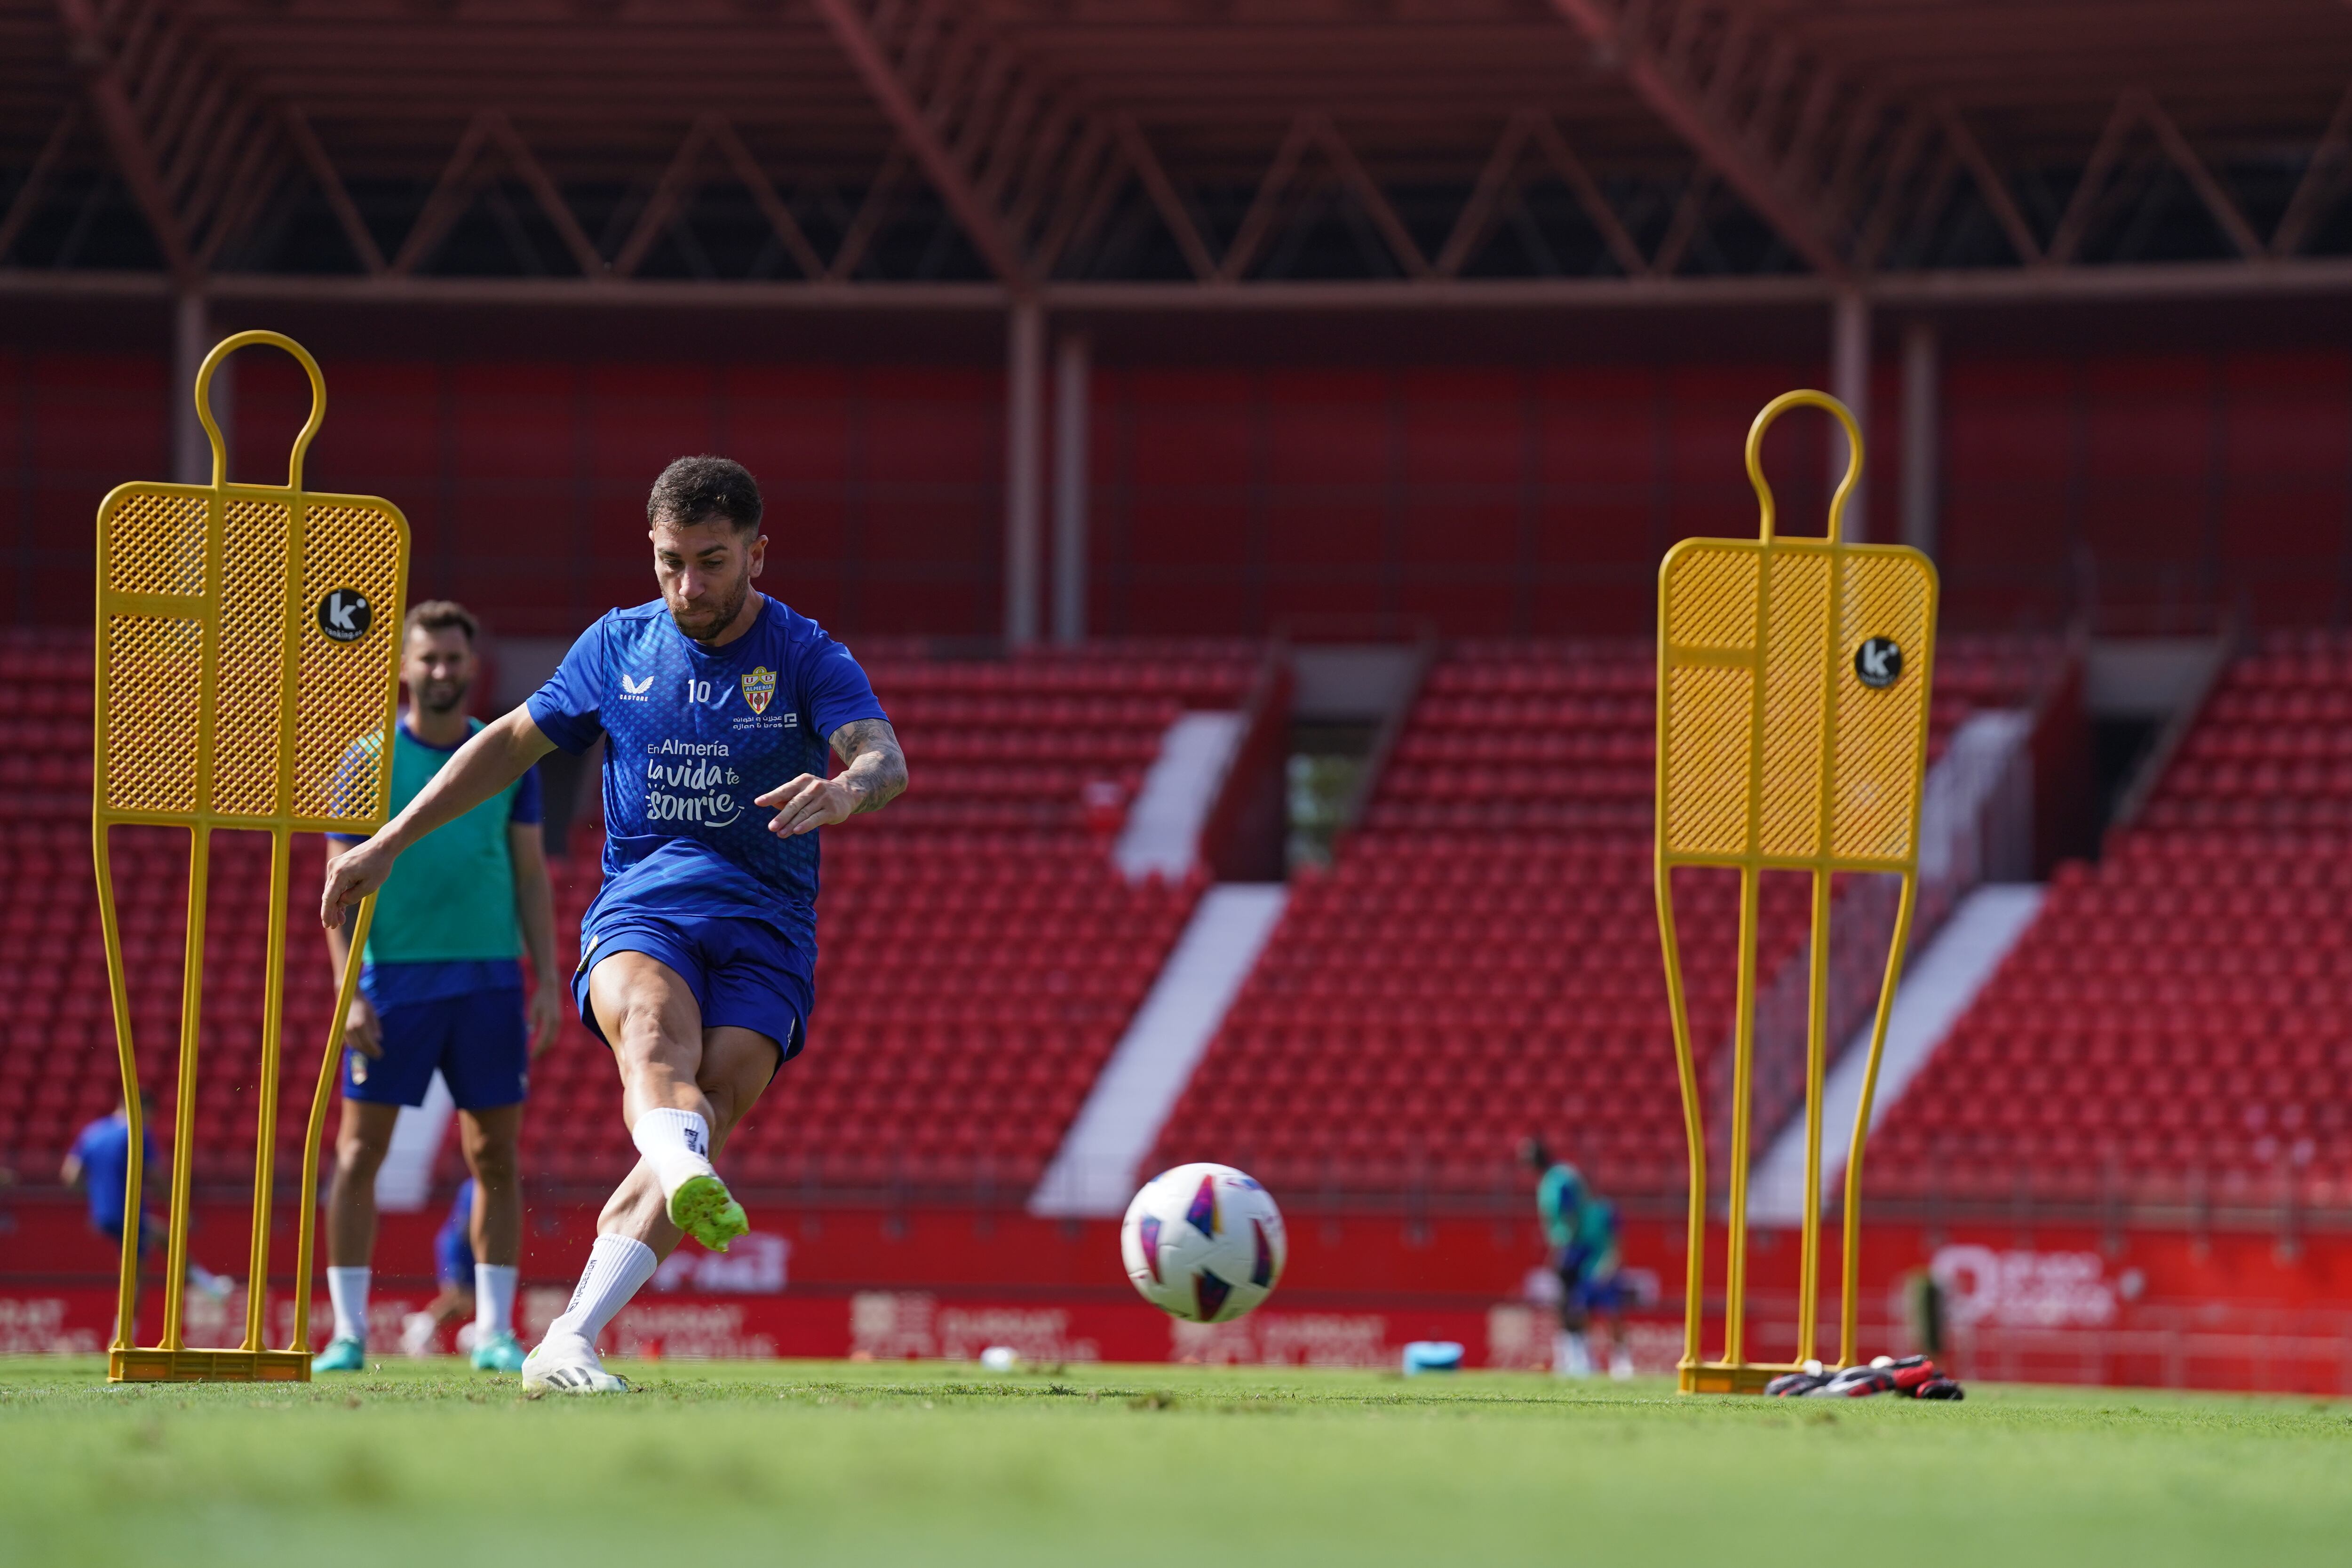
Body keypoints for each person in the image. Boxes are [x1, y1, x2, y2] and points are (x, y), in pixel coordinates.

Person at [320, 455, 906, 1393]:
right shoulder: (617, 645)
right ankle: (673, 1164)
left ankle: (568, 1338)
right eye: (670, 561)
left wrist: (845, 789)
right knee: (652, 1034)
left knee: (715, 1097)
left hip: (768, 923)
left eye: (712, 562)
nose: (688, 586)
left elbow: (885, 756)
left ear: (758, 553)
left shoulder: (803, 653)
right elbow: (508, 741)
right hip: (647, 903)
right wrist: (390, 837)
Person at [312, 600, 562, 1376]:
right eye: (430, 658)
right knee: (359, 1156)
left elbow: (529, 872)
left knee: (494, 1156)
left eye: (456, 659)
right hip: (395, 983)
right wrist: (347, 991)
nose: (444, 672)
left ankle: (493, 1327)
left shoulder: (502, 754)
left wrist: (548, 975)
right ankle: (349, 1332)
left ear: (471, 665)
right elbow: (336, 886)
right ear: (404, 665)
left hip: (488, 978)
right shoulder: (362, 760)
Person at [63, 1090, 234, 1306]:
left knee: (156, 1243)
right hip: (127, 1214)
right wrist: (178, 1209)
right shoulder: (136, 1132)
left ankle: (206, 1284)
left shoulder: (92, 1132)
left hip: (104, 1214)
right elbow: (156, 1176)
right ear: (143, 1109)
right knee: (136, 1278)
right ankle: (207, 1288)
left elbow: (70, 1176)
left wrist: (99, 1196)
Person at [1520, 1136, 1632, 1380]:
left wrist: (1562, 1249)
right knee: (1574, 1307)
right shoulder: (1561, 1178)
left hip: (1576, 1252)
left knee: (1577, 1306)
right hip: (1577, 1251)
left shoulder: (1559, 1182)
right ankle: (1578, 1358)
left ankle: (1595, 1359)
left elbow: (1568, 1217)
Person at [400, 1178, 480, 1358]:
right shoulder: (474, 1186)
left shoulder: (483, 1184)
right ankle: (419, 1330)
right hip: (459, 1246)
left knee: (465, 1304)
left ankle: (422, 1325)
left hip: (470, 1248)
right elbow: (467, 1225)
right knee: (458, 1299)